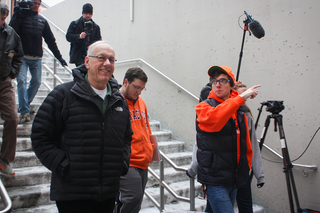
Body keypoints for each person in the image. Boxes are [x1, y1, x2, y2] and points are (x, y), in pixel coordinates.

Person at [31, 41, 132, 213]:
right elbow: (40, 136)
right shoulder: (63, 94)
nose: (107, 63)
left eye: (111, 60)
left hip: (107, 193)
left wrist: (120, 164)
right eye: (101, 58)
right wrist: (65, 166)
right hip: (72, 194)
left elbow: (126, 137)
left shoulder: (119, 101)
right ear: (87, 62)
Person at [195, 65, 261, 213]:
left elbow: (247, 144)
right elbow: (214, 119)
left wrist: (245, 167)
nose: (217, 84)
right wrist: (240, 98)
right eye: (214, 81)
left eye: (223, 80)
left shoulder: (240, 110)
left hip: (234, 177)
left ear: (232, 85)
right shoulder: (204, 107)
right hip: (214, 178)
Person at [9, 0, 67, 124]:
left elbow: (51, 41)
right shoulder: (21, 17)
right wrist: (17, 14)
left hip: (37, 59)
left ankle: (24, 104)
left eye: (38, 4)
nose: (36, 5)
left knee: (36, 82)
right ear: (30, 3)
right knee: (21, 81)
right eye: (34, 3)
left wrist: (59, 57)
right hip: (22, 57)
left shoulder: (42, 21)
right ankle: (24, 112)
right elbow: (11, 32)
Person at [115, 67, 154, 213]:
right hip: (127, 161)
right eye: (136, 87)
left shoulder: (141, 102)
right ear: (126, 82)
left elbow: (146, 128)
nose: (139, 92)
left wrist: (151, 150)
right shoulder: (116, 102)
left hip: (143, 161)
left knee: (134, 203)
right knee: (133, 197)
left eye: (142, 89)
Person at [0, 3, 24, 176]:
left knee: (13, 118)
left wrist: (12, 74)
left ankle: (5, 160)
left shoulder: (12, 35)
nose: (0, 21)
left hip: (4, 82)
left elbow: (19, 56)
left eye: (2, 18)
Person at [234, 82, 265, 213]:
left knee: (246, 206)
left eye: (247, 94)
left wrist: (259, 174)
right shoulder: (222, 113)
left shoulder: (246, 116)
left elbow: (253, 146)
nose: (245, 97)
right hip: (223, 170)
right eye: (242, 94)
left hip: (242, 169)